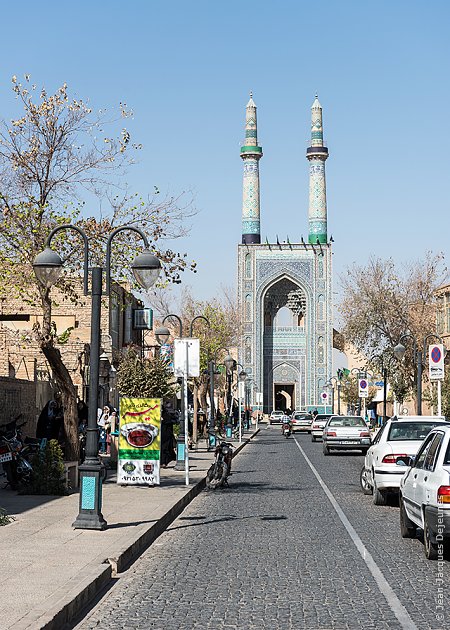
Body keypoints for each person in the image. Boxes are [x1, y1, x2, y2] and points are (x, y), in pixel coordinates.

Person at [160, 402, 177, 468]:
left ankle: (163, 462)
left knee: (165, 449)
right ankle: (163, 462)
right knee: (166, 449)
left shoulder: (166, 415)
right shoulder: (169, 415)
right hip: (167, 435)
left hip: (165, 435)